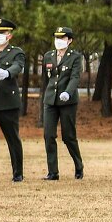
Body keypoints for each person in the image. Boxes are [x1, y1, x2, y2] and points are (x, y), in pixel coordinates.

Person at [40, 26, 84, 181]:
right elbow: (46, 79)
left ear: (69, 40)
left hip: (68, 101)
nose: (58, 41)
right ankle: (53, 172)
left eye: (62, 38)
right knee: (49, 135)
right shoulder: (48, 56)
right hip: (50, 100)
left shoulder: (75, 57)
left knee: (68, 136)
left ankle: (79, 166)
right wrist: (45, 96)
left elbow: (75, 77)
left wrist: (68, 91)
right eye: (57, 38)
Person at [0, 18, 26, 183]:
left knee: (12, 139)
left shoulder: (16, 52)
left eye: (2, 33)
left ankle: (18, 173)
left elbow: (17, 66)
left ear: (9, 36)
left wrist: (8, 73)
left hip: (8, 104)